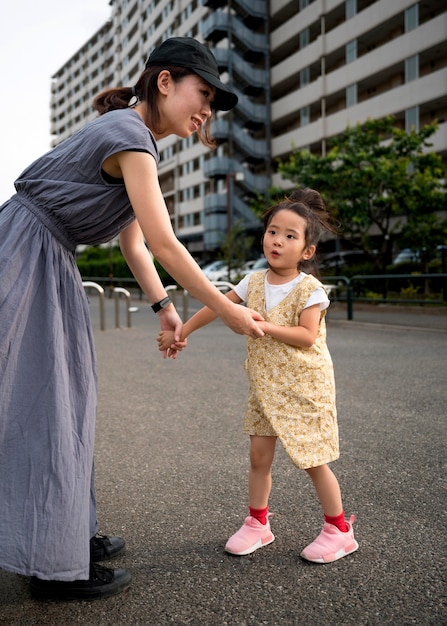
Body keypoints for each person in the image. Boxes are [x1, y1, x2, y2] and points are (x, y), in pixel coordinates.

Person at [0, 37, 264, 601]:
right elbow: (166, 244)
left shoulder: (134, 138)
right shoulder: (128, 136)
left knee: (62, 400)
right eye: (203, 94)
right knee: (41, 402)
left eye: (213, 105)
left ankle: (59, 536)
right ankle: (50, 564)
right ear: (164, 81)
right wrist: (228, 311)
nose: (206, 113)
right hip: (26, 255)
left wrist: (165, 309)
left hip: (42, 253)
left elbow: (136, 244)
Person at [158, 189, 359, 563]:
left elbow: (307, 336)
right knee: (258, 457)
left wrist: (262, 325)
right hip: (265, 388)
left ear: (307, 251)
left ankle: (339, 530)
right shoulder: (252, 281)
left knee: (313, 459)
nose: (277, 241)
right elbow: (216, 307)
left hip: (304, 388)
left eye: (289, 236)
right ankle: (257, 523)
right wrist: (181, 331)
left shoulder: (309, 289)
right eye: (272, 231)